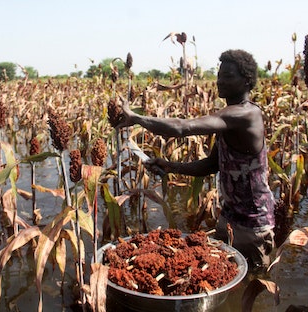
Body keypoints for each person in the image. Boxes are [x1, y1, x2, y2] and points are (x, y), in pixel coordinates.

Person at [117, 49, 275, 270]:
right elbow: (212, 165)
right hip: (229, 216)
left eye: (228, 76)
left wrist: (136, 118)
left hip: (252, 223)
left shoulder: (245, 115)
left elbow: (184, 127)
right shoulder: (228, 116)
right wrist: (170, 166)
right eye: (219, 75)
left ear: (247, 81)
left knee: (252, 283)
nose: (220, 81)